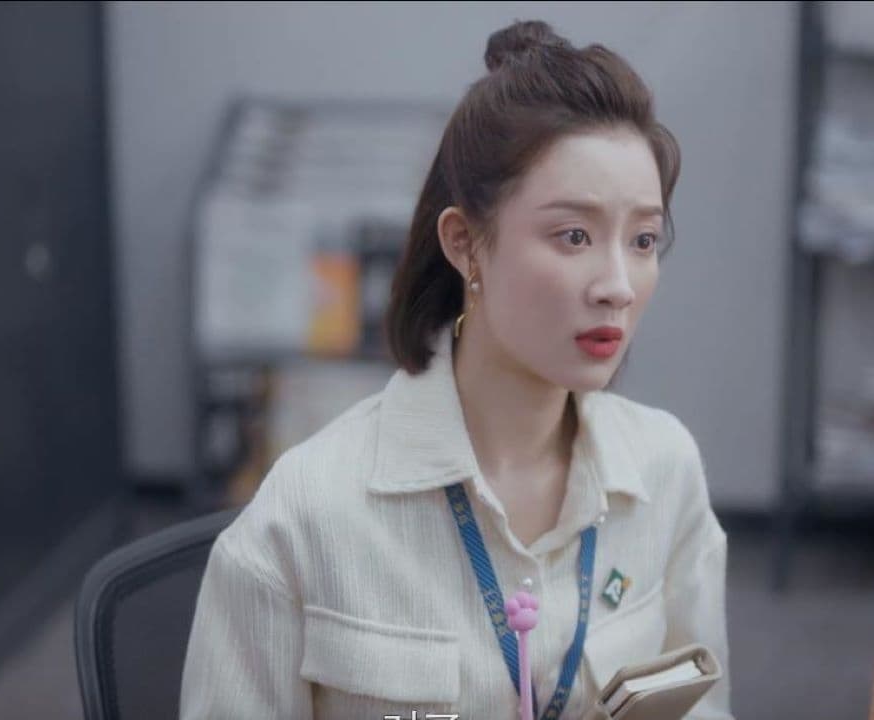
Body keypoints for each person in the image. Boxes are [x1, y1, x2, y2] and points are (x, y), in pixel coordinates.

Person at [181, 19, 731, 720]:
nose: (618, 285)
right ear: (466, 244)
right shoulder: (306, 515)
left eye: (644, 240)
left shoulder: (664, 472)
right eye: (574, 236)